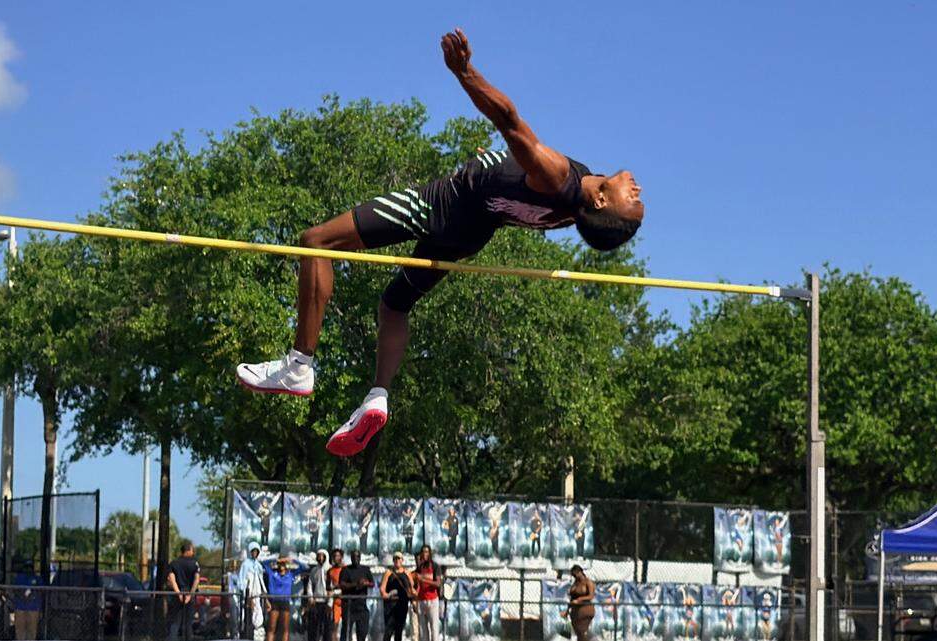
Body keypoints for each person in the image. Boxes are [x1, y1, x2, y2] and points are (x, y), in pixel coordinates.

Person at [236, 27, 644, 458]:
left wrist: (465, 73)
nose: (636, 191)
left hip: (441, 204)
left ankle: (299, 365)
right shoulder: (570, 215)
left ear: (599, 199)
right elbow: (553, 208)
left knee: (315, 241)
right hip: (469, 236)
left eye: (632, 203)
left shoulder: (558, 176)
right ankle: (377, 395)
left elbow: (509, 121)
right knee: (394, 305)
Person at [264, 556, 308, 641]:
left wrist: (292, 559)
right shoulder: (272, 573)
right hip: (274, 601)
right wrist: (276, 559)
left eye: (283, 563)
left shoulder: (290, 574)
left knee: (285, 628)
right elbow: (263, 563)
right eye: (280, 563)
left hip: (285, 602)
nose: (281, 565)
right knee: (271, 627)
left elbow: (304, 567)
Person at [168, 542, 202, 640]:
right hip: (189, 595)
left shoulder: (174, 563)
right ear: (188, 551)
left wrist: (178, 593)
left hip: (176, 596)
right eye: (192, 550)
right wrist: (190, 595)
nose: (193, 552)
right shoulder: (194, 563)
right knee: (188, 623)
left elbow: (171, 578)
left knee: (175, 623)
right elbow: (196, 579)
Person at [338, 550, 375, 641]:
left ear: (360, 557)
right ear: (351, 558)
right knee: (346, 632)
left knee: (362, 632)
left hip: (361, 605)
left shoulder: (365, 569)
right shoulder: (346, 570)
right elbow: (342, 584)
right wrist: (356, 584)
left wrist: (365, 583)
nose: (355, 559)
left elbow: (372, 584)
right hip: (348, 606)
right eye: (353, 557)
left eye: (357, 557)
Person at [380, 552, 415, 641]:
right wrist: (386, 595)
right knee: (389, 630)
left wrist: (414, 599)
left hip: (402, 603)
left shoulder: (407, 573)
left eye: (399, 558)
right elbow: (382, 588)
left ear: (402, 560)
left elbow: (411, 588)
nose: (397, 561)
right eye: (395, 559)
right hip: (390, 604)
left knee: (399, 630)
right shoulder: (389, 572)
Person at [240, 542, 268, 639]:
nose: (255, 553)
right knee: (247, 617)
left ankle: (257, 637)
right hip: (248, 596)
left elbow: (261, 581)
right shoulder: (245, 565)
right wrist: (247, 597)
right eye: (253, 551)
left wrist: (265, 595)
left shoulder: (259, 565)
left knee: (259, 617)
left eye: (257, 551)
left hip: (258, 596)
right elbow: (243, 581)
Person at [413, 545, 442, 641]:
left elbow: (438, 583)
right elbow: (416, 585)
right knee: (422, 630)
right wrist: (414, 600)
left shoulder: (435, 566)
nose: (424, 554)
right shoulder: (419, 567)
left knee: (434, 629)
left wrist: (424, 579)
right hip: (421, 600)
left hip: (432, 600)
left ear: (429, 553)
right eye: (423, 552)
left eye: (426, 552)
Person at [304, 550, 332, 641]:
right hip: (315, 602)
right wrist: (310, 598)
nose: (320, 558)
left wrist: (330, 603)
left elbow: (332, 588)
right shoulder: (314, 570)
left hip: (326, 603)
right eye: (318, 556)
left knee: (326, 628)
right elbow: (310, 584)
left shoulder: (330, 569)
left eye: (322, 556)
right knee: (313, 627)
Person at [11, 561, 42, 641]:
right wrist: (22, 596)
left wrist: (32, 595)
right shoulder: (19, 577)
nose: (28, 569)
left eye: (30, 567)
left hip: (33, 607)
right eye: (27, 567)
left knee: (32, 630)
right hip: (20, 607)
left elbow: (41, 590)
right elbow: (15, 589)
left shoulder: (37, 578)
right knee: (20, 629)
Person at [567, 564, 596, 641]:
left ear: (580, 572)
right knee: (578, 632)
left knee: (582, 631)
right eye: (573, 575)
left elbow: (591, 596)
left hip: (585, 609)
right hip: (575, 611)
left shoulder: (588, 582)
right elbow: (571, 598)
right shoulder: (575, 583)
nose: (574, 576)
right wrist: (567, 611)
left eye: (575, 574)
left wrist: (580, 599)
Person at [327, 549, 345, 641]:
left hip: (346, 601)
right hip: (335, 602)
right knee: (334, 626)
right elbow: (328, 587)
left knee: (346, 626)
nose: (336, 558)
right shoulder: (330, 571)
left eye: (338, 556)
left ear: (341, 557)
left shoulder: (346, 569)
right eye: (334, 556)